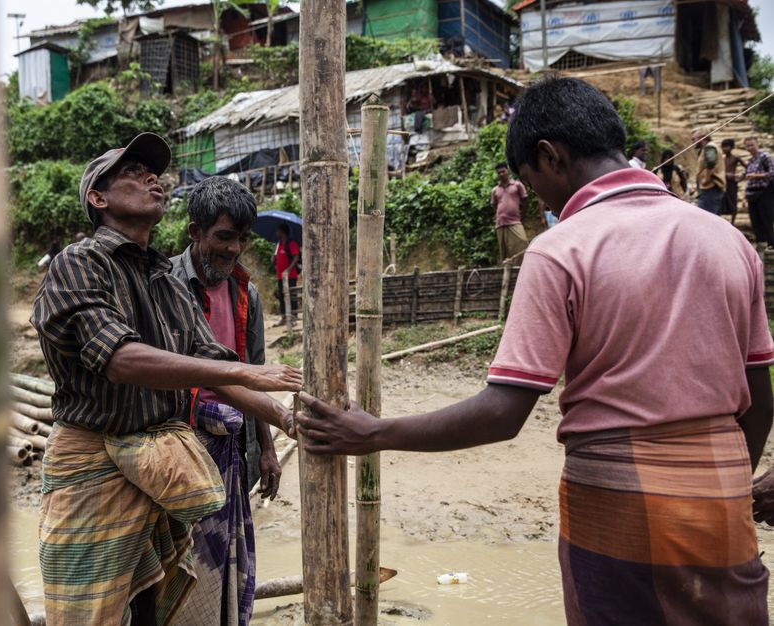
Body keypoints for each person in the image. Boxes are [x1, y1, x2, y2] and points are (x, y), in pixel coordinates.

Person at [296, 77, 773, 625]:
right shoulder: (728, 240)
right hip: (723, 511)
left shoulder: (561, 249)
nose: (535, 199)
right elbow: (758, 401)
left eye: (529, 180)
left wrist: (374, 433)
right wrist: (731, 488)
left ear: (550, 156)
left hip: (619, 509)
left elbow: (503, 412)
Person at [32, 132, 301, 626]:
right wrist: (243, 368)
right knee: (89, 614)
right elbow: (120, 358)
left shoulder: (164, 282)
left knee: (155, 605)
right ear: (99, 198)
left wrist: (285, 419)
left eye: (153, 172)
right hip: (93, 461)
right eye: (133, 173)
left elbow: (214, 372)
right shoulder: (80, 262)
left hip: (162, 463)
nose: (151, 179)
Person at [169, 177, 280, 626]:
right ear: (195, 232)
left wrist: (267, 448)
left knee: (225, 557)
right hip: (181, 444)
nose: (234, 249)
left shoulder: (244, 293)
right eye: (223, 237)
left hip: (233, 444)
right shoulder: (166, 284)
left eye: (241, 238)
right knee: (179, 560)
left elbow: (254, 371)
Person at [490, 162, 529, 261]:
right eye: (499, 173)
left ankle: (523, 267)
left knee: (522, 243)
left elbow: (525, 201)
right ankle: (509, 271)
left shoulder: (517, 185)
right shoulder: (495, 190)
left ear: (507, 171)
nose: (501, 174)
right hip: (501, 224)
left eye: (503, 171)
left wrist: (522, 216)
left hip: (515, 221)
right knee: (505, 251)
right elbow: (494, 205)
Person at [744, 137, 774, 251]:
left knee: (766, 217)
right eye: (747, 146)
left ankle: (771, 242)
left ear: (757, 144)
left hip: (765, 191)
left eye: (752, 145)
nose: (750, 148)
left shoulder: (765, 156)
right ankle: (761, 242)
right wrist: (744, 196)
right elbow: (748, 179)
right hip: (752, 193)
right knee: (755, 219)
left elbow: (772, 173)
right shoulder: (751, 160)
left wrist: (756, 175)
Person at [693, 127, 727, 214]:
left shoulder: (710, 147)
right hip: (710, 189)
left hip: (711, 188)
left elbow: (711, 162)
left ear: (703, 138)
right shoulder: (707, 148)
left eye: (695, 139)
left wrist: (706, 179)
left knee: (705, 217)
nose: (693, 141)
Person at [271, 223, 299, 324]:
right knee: (282, 296)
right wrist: (273, 259)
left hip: (290, 276)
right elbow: (277, 260)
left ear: (282, 232)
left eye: (278, 231)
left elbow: (296, 257)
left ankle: (294, 317)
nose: (276, 233)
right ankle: (284, 317)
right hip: (280, 276)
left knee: (292, 295)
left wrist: (288, 270)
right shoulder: (278, 245)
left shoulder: (291, 244)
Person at [722, 138, 746, 218]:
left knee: (733, 200)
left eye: (726, 147)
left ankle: (733, 221)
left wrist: (740, 176)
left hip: (732, 182)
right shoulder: (722, 158)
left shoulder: (735, 157)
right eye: (723, 147)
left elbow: (747, 167)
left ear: (731, 147)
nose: (724, 149)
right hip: (723, 182)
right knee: (723, 201)